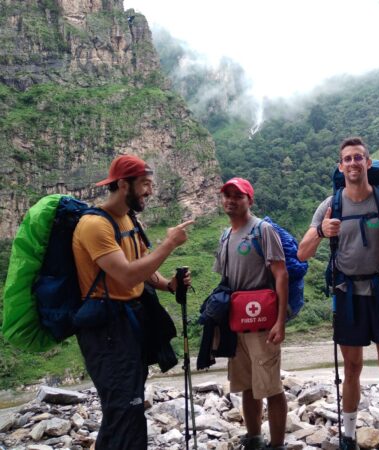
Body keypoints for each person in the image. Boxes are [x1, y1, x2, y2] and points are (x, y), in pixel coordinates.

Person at [297, 137, 379, 450]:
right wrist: (322, 231)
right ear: (341, 165)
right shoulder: (330, 205)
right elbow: (302, 253)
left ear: (368, 162)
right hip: (347, 295)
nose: (352, 163)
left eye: (358, 158)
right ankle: (348, 436)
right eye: (347, 159)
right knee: (351, 368)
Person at [72, 154, 194, 450]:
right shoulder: (94, 225)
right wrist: (168, 244)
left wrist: (167, 284)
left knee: (127, 406)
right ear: (123, 184)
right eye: (145, 184)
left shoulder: (128, 219)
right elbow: (126, 276)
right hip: (106, 328)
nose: (149, 191)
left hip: (129, 321)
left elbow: (142, 263)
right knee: (124, 407)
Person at [214, 177, 289, 450]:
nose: (231, 200)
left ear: (250, 200)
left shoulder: (262, 230)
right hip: (236, 323)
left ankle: (277, 444)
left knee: (270, 385)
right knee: (246, 384)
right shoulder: (225, 236)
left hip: (263, 322)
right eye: (227, 195)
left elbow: (281, 275)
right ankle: (255, 437)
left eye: (238, 195)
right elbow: (224, 283)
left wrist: (281, 321)